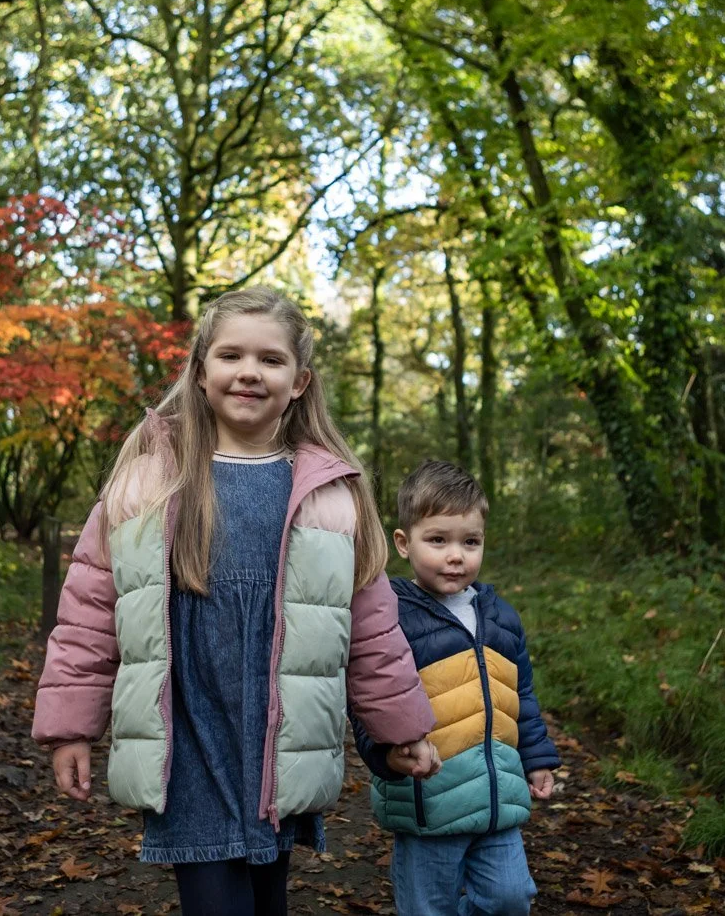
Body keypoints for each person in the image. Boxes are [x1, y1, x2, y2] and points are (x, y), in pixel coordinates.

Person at [32, 287, 439, 916]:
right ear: (201, 371)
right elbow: (90, 608)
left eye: (271, 360)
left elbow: (371, 626)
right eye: (231, 356)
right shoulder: (152, 478)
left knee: (265, 898)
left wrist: (399, 728)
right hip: (188, 732)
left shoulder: (328, 494)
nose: (249, 372)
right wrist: (70, 728)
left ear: (300, 380)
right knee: (216, 900)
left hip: (278, 738)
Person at [354, 460, 560, 916]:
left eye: (470, 542)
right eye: (438, 540)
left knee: (509, 898)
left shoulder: (501, 616)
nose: (456, 555)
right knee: (428, 907)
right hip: (429, 802)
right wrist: (384, 754)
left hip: (496, 800)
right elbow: (370, 695)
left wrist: (537, 758)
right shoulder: (391, 617)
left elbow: (520, 694)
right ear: (404, 544)